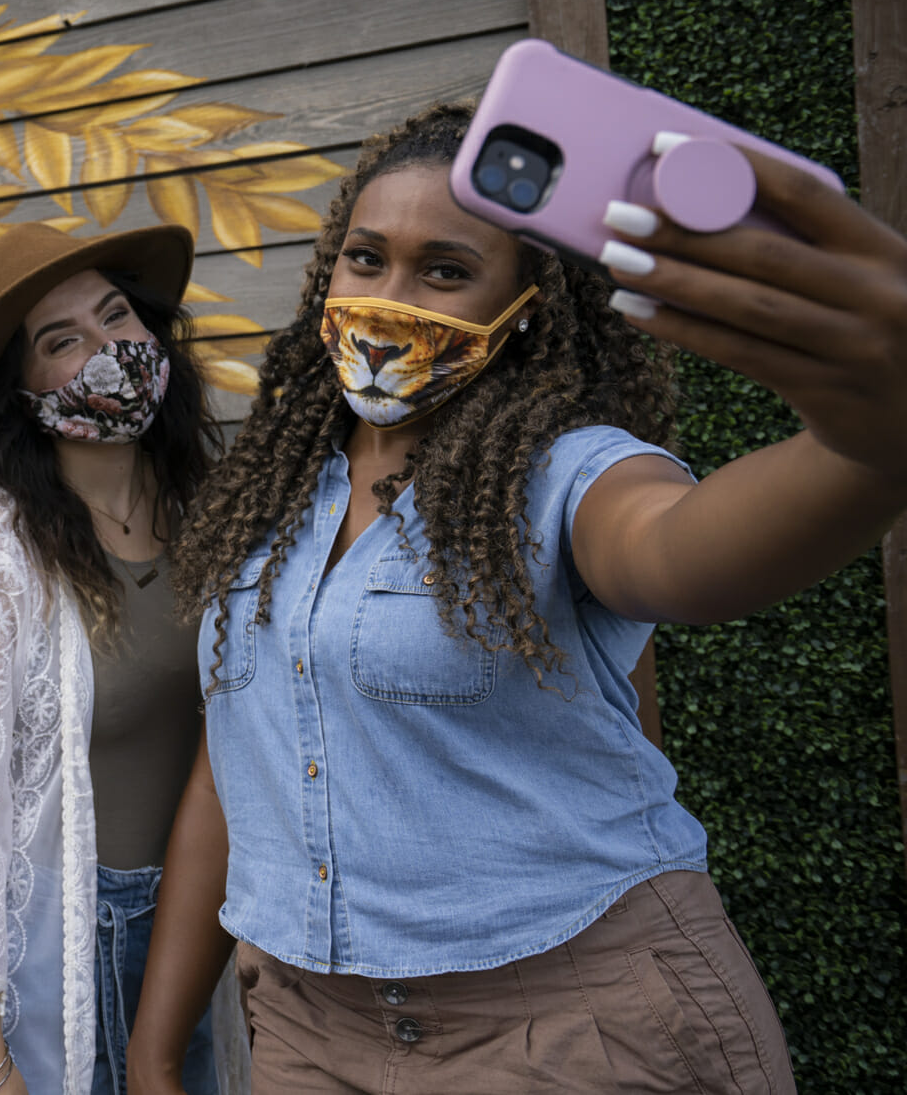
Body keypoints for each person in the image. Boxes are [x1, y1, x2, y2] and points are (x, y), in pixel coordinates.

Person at [143, 101, 907, 1093]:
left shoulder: (563, 473)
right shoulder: (267, 495)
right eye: (366, 258)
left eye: (445, 271)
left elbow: (675, 551)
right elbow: (233, 772)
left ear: (525, 307)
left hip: (576, 1026)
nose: (388, 298)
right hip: (309, 1031)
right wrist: (156, 1051)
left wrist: (870, 449)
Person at [0, 221, 229, 1095]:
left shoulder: (206, 506)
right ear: (21, 393)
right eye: (61, 340)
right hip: (85, 935)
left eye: (116, 315)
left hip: (208, 921)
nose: (108, 348)